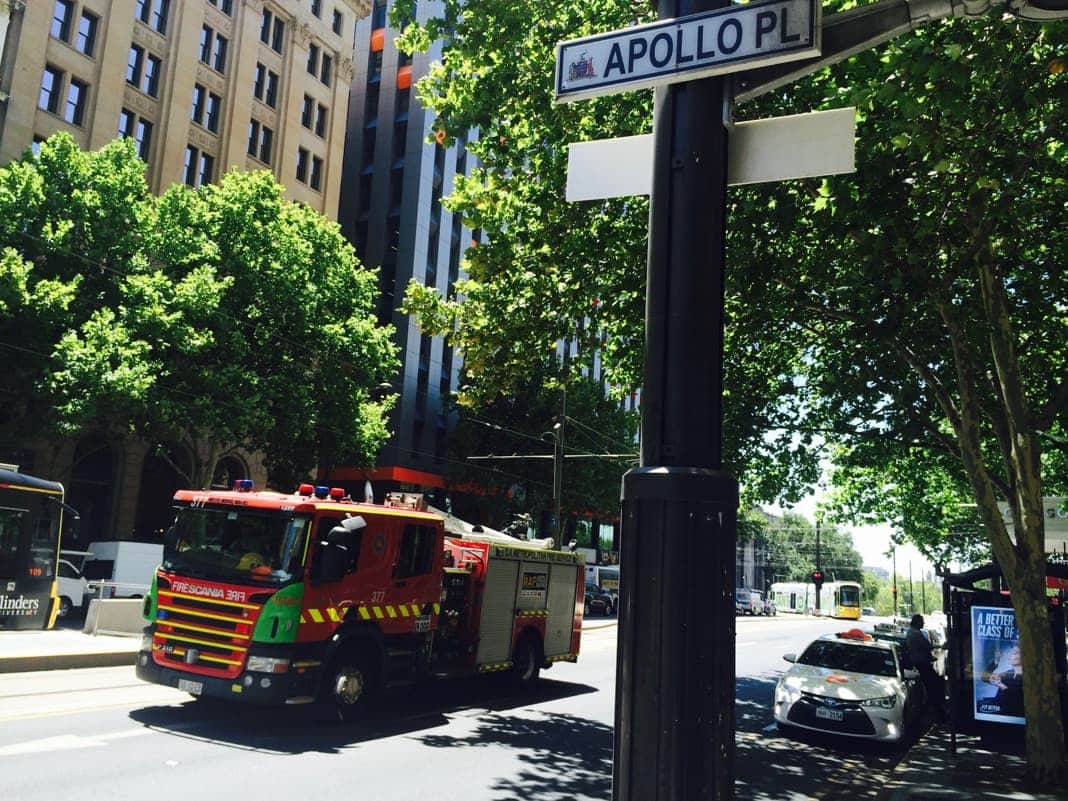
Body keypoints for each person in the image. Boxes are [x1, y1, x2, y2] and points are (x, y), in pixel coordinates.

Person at [906, 613, 944, 715]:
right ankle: (935, 707)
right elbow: (928, 646)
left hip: (919, 662)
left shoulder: (911, 632)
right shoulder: (916, 634)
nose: (923, 623)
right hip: (921, 664)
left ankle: (932, 705)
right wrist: (941, 646)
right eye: (922, 621)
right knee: (935, 684)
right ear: (917, 622)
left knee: (932, 683)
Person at [989, 644, 1024, 718]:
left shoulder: (1028, 677)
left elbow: (1017, 698)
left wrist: (1000, 685)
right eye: (1010, 653)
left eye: (1014, 653)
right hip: (997, 710)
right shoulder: (1008, 673)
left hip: (1011, 713)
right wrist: (995, 662)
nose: (1009, 656)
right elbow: (984, 678)